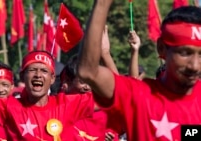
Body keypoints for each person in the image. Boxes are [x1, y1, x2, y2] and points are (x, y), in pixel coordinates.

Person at [77, 1, 201, 140]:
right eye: (184, 53)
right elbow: (88, 71)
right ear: (161, 48)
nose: (194, 66)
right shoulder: (138, 95)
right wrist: (102, 4)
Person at [0, 24, 94, 140]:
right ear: (22, 76)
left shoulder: (67, 104)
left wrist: (104, 54)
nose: (38, 75)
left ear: (52, 79)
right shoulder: (8, 107)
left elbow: (114, 96)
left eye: (44, 71)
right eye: (32, 70)